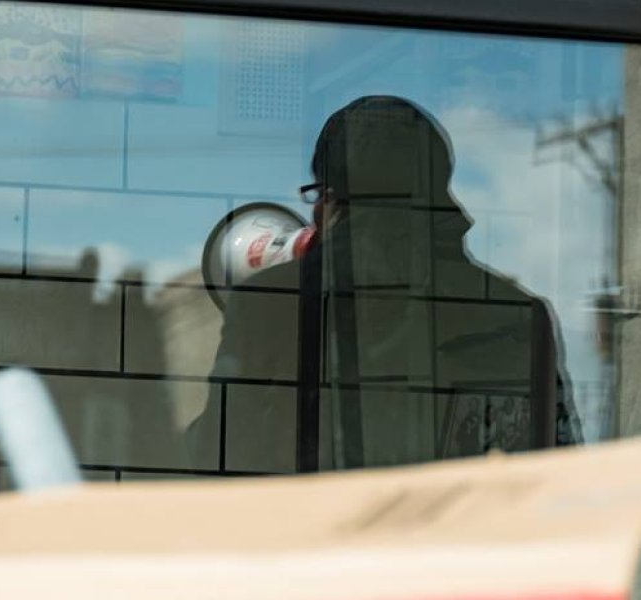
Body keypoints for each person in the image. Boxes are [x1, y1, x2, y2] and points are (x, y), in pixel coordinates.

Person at [193, 96, 582, 472]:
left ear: (331, 200)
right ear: (436, 189)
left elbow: (218, 453)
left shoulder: (270, 303)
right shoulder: (519, 316)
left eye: (320, 193)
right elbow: (561, 464)